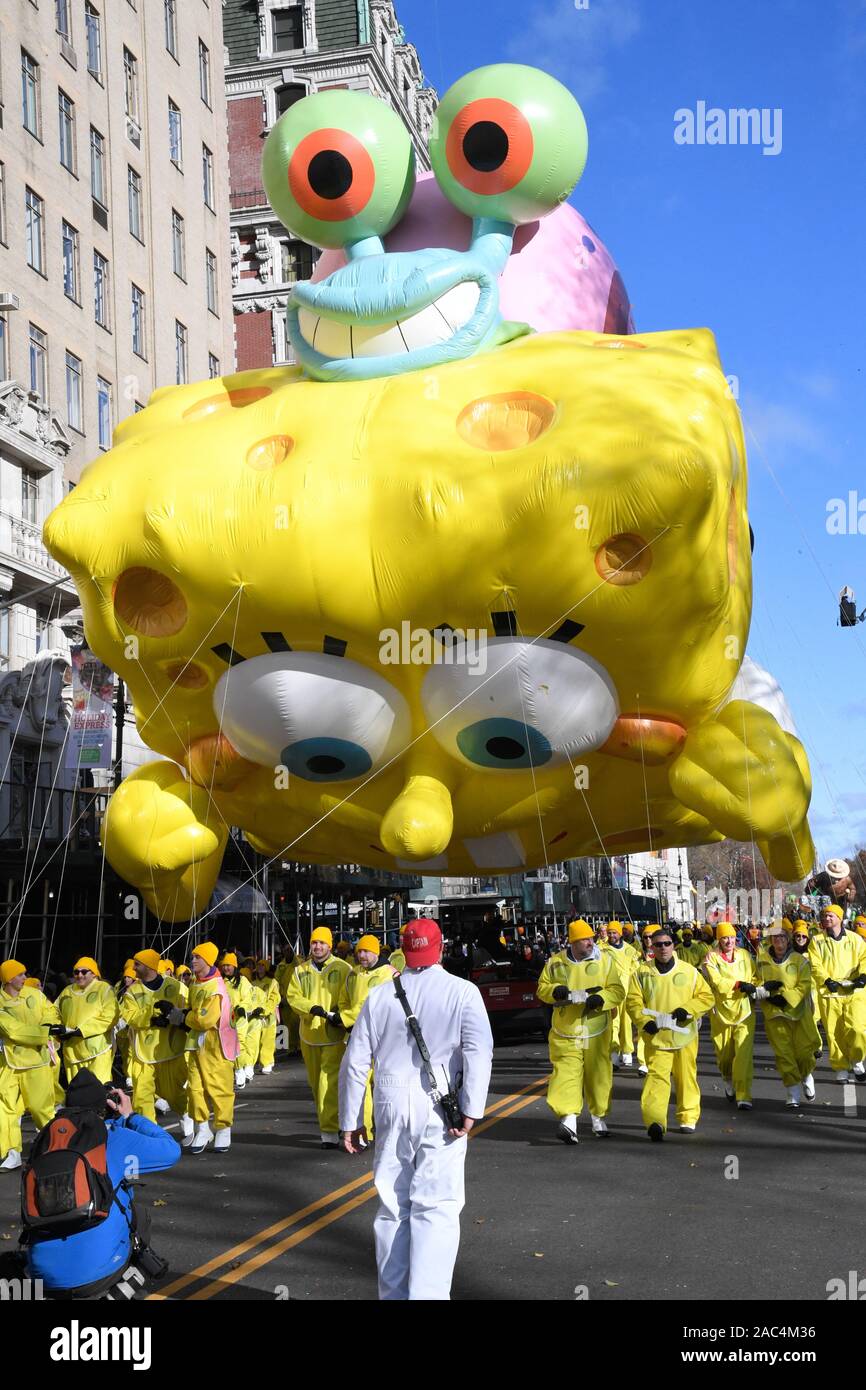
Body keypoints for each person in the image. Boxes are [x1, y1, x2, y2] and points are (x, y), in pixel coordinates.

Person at [339, 918, 493, 1301]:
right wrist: (472, 1107)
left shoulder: (379, 995)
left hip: (390, 1101)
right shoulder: (463, 992)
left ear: (403, 952)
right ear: (440, 948)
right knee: (436, 1208)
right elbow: (478, 1051)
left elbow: (355, 1061)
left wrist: (350, 1120)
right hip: (440, 1104)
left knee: (393, 1208)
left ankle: (392, 1296)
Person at [25, 1068, 180, 1297]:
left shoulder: (45, 1143)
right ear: (105, 1107)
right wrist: (130, 1116)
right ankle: (119, 1291)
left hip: (41, 1275)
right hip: (95, 1275)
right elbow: (171, 1150)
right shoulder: (115, 1137)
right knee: (140, 1216)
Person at [536, 919, 625, 1142]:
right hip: (566, 1029)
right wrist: (556, 991)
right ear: (572, 942)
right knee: (566, 1073)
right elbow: (542, 988)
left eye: (590, 938)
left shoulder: (605, 961)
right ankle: (569, 1119)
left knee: (598, 1074)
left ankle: (598, 1118)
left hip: (596, 1029)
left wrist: (600, 998)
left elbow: (617, 990)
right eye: (584, 939)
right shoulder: (555, 963)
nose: (589, 942)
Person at [626, 927, 715, 1140]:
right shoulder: (641, 973)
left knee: (686, 1078)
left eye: (667, 943)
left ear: (673, 945)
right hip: (657, 1038)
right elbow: (633, 1001)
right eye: (658, 944)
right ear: (652, 947)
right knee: (656, 1080)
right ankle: (655, 1121)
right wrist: (644, 1021)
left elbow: (706, 997)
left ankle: (688, 1117)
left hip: (685, 1037)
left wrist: (688, 1010)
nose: (663, 948)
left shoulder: (689, 972)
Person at [285, 926, 352, 1147]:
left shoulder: (343, 968)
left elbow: (351, 995)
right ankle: (338, 1122)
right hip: (309, 1035)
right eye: (314, 942)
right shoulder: (300, 970)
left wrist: (341, 1016)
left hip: (334, 1035)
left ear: (330, 945)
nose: (318, 946)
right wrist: (310, 1008)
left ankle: (330, 1132)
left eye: (322, 943)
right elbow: (293, 997)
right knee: (316, 1084)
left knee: (328, 1083)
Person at [169, 942, 239, 1153]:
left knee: (219, 1087)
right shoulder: (196, 983)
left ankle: (223, 1128)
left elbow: (205, 1019)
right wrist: (184, 1013)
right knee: (195, 1088)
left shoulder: (215, 987)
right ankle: (202, 1127)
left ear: (207, 960)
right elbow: (195, 1013)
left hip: (216, 1044)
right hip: (196, 1044)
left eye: (197, 957)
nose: (193, 960)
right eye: (193, 956)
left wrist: (183, 1016)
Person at [118, 949, 191, 1133]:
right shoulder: (132, 992)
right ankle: (151, 1135)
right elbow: (130, 1016)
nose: (133, 968)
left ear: (149, 965)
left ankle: (186, 1114)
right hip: (142, 1054)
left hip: (171, 1051)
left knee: (174, 1095)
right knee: (142, 1098)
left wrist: (172, 1017)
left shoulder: (176, 987)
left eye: (137, 964)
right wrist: (151, 1017)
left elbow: (187, 1011)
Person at [0, 960, 61, 1172]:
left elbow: (51, 1011)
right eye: (20, 975)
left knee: (41, 1108)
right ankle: (11, 1153)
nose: (25, 978)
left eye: (25, 973)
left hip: (37, 1061)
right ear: (9, 979)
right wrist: (44, 1034)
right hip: (9, 1064)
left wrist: (47, 1025)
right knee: (5, 1110)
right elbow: (12, 1031)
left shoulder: (35, 995)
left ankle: (56, 1147)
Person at [756, 922, 817, 1106]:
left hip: (799, 1014)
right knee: (784, 1054)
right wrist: (766, 992)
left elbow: (805, 985)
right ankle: (792, 1090)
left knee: (804, 1053)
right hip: (774, 1015)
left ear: (788, 938)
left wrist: (787, 998)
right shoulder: (762, 961)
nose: (779, 940)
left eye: (782, 936)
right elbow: (756, 982)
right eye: (775, 937)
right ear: (771, 939)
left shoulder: (800, 960)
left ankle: (806, 1075)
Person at [702, 922, 760, 1109]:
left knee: (743, 1055)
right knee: (725, 1057)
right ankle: (727, 1078)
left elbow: (755, 976)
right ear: (719, 939)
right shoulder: (711, 958)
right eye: (724, 938)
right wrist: (738, 985)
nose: (729, 941)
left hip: (744, 1011)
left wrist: (755, 988)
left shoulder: (744, 955)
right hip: (721, 1013)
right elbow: (717, 982)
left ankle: (744, 1095)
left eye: (732, 937)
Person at [808, 904, 866, 1082]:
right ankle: (841, 1067)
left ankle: (857, 1059)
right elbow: (815, 964)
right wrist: (826, 980)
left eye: (831, 916)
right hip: (829, 992)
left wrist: (863, 975)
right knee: (834, 1033)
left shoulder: (855, 939)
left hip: (853, 991)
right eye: (825, 916)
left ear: (840, 918)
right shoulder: (817, 941)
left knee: (857, 1028)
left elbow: (864, 958)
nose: (826, 919)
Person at [55, 957, 119, 1084]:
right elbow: (54, 1011)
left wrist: (82, 1031)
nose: (79, 975)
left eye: (84, 972)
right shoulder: (67, 991)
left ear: (94, 973)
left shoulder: (104, 988)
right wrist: (59, 1029)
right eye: (76, 972)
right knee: (77, 1094)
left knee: (99, 1090)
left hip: (98, 1050)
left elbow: (111, 1016)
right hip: (72, 1051)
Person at [602, 921, 639, 1068]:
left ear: (620, 933)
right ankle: (614, 1052)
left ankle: (627, 1051)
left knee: (626, 1023)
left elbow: (635, 970)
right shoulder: (602, 950)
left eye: (614, 932)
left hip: (628, 991)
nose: (611, 935)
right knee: (613, 1023)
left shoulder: (630, 950)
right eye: (609, 932)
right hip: (611, 992)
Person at [220, 952, 256, 1090]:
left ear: (234, 966)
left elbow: (248, 997)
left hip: (239, 1018)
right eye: (224, 965)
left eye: (229, 965)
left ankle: (240, 1071)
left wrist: (242, 1007)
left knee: (239, 1044)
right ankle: (245, 1066)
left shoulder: (242, 981)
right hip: (226, 1019)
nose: (226, 968)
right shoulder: (221, 982)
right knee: (228, 1046)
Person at [251, 959, 281, 1075]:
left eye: (263, 965)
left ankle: (267, 1062)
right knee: (256, 1040)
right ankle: (259, 1062)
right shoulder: (253, 982)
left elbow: (274, 998)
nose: (260, 967)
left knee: (268, 1040)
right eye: (258, 965)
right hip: (256, 1015)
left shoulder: (272, 982)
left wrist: (265, 1010)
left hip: (268, 1015)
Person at [274, 945, 301, 1056]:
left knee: (297, 1022)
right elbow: (277, 982)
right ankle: (290, 1048)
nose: (288, 952)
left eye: (290, 950)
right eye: (286, 951)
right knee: (288, 1024)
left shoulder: (297, 964)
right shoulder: (281, 966)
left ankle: (299, 1046)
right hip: (284, 1000)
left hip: (296, 997)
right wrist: (280, 997)